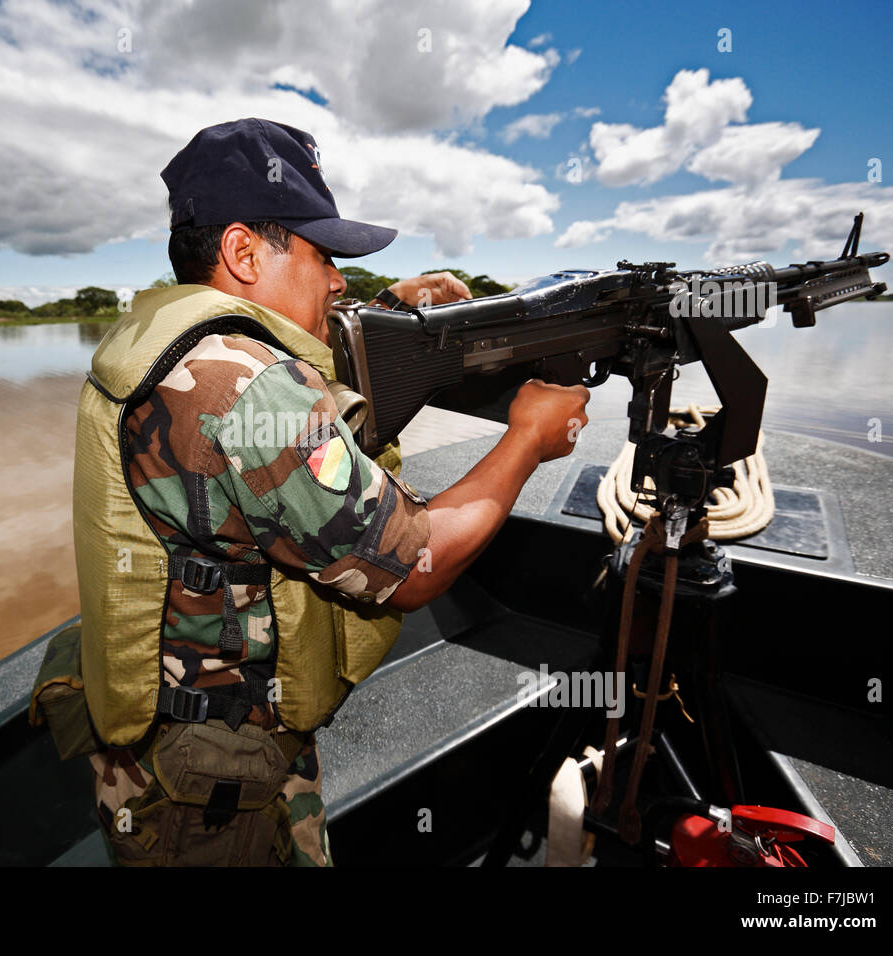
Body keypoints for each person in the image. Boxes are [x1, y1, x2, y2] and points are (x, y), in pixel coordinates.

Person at [68, 118, 589, 866]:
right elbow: (416, 565)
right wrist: (529, 439)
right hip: (213, 797)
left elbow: (285, 348)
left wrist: (385, 304)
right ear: (243, 251)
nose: (339, 280)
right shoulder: (249, 392)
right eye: (322, 256)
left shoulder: (160, 336)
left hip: (155, 757)